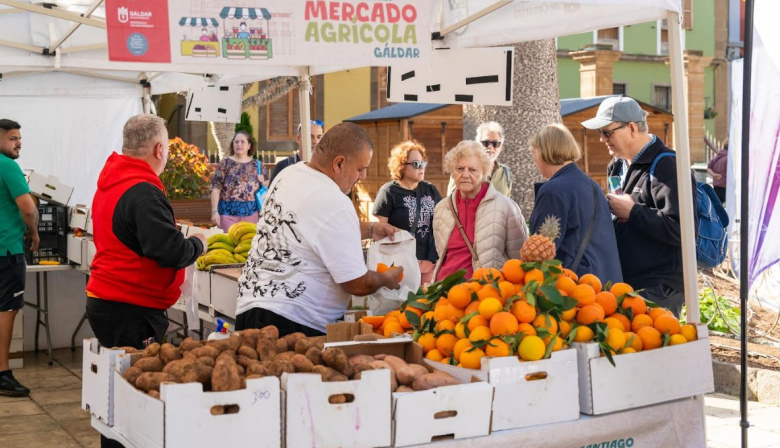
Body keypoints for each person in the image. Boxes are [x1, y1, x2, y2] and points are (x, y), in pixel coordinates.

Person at [86, 114, 206, 448]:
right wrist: (197, 242)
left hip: (107, 298)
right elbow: (166, 250)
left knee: (118, 388)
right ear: (158, 149)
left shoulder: (112, 180)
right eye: (166, 147)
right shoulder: (142, 190)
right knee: (135, 394)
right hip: (131, 307)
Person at [235, 122, 402, 337]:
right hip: (291, 323)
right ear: (339, 163)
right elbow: (356, 283)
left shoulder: (289, 174)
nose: (363, 176)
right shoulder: (334, 201)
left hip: (250, 308)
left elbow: (308, 227)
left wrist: (370, 230)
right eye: (360, 169)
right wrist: (386, 279)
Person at [582, 96, 696, 316]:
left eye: (607, 132)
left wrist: (633, 212)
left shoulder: (668, 165)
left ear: (632, 128)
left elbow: (683, 230)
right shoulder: (616, 165)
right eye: (600, 133)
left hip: (658, 287)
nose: (602, 139)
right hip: (626, 281)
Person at [528, 124, 622, 283]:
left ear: (544, 152)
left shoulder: (553, 191)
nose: (534, 160)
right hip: (605, 283)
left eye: (533, 152)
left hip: (574, 286)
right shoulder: (592, 185)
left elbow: (541, 252)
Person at [433, 140, 528, 281]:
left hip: (486, 294)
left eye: (472, 170)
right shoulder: (441, 209)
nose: (465, 175)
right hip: (445, 294)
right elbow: (442, 254)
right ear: (452, 172)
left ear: (484, 172)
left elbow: (520, 259)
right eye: (459, 169)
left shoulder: (506, 207)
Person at [0, 119, 38, 396]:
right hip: (7, 250)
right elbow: (28, 208)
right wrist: (34, 232)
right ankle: (3, 373)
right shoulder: (7, 165)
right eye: (12, 138)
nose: (18, 142)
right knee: (6, 311)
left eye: (19, 138)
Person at [373, 141, 442, 284]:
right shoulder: (389, 192)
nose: (422, 168)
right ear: (402, 166)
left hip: (429, 262)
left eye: (423, 163)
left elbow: (440, 225)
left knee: (428, 303)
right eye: (416, 164)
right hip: (402, 263)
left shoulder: (431, 190)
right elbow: (379, 232)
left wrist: (434, 258)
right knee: (405, 303)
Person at [210, 130, 265, 233]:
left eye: (242, 142)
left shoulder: (257, 165)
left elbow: (267, 189)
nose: (239, 144)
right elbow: (216, 189)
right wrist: (214, 211)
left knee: (248, 246)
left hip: (251, 215)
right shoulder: (225, 164)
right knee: (228, 246)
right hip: (227, 215)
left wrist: (263, 181)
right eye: (236, 142)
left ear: (249, 145)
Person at [447, 121, 512, 196]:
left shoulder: (506, 173)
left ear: (501, 147)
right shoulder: (462, 169)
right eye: (485, 143)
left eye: (495, 144)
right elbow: (451, 201)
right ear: (477, 144)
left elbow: (508, 202)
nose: (490, 147)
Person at [269, 119, 324, 184]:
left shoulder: (324, 168)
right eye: (310, 137)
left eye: (319, 137)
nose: (315, 141)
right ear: (298, 139)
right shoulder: (284, 166)